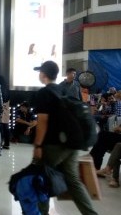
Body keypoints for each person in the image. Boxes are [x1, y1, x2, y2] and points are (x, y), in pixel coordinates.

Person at [32, 60, 98, 215]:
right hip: (72, 142)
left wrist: (38, 146)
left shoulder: (44, 93)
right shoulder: (63, 90)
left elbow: (42, 121)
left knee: (43, 178)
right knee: (73, 181)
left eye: (40, 72)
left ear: (43, 75)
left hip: (54, 145)